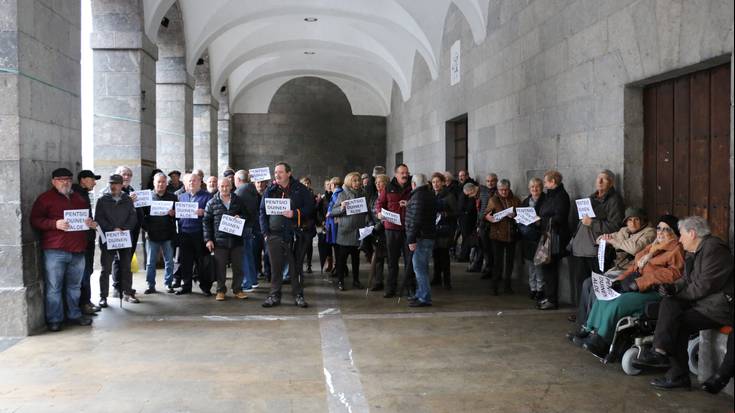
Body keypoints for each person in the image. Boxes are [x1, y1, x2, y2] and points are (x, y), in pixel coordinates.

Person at [635, 216, 733, 390]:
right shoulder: (694, 251)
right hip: (703, 302)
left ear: (693, 234)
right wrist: (672, 288)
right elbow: (686, 280)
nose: (679, 239)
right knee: (670, 303)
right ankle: (660, 351)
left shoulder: (714, 250)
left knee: (677, 321)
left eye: (681, 235)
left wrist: (678, 293)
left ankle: (675, 372)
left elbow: (704, 286)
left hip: (718, 307)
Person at [574, 216, 685, 357]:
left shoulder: (676, 249)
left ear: (674, 233)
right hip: (637, 285)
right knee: (607, 295)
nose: (661, 232)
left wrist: (638, 283)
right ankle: (590, 329)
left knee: (619, 303)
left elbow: (672, 274)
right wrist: (620, 280)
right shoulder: (654, 246)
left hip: (654, 290)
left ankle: (602, 340)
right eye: (659, 228)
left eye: (666, 229)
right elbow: (634, 266)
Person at [30, 168, 95, 331]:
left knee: (74, 287)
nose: (65, 182)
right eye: (60, 179)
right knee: (54, 287)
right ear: (53, 181)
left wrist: (90, 224)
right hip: (55, 251)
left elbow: (88, 219)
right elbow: (35, 220)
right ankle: (55, 319)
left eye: (67, 179)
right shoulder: (45, 199)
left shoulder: (79, 199)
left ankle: (74, 315)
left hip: (78, 250)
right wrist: (54, 224)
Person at [569, 207, 657, 327]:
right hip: (616, 269)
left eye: (637, 219)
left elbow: (634, 249)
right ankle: (583, 322)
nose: (633, 223)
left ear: (643, 220)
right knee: (587, 283)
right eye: (630, 220)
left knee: (597, 288)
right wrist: (604, 239)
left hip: (630, 272)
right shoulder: (624, 231)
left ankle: (593, 326)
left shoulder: (650, 232)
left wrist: (614, 242)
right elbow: (602, 238)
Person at [567, 169, 625, 307]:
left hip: (596, 250)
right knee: (581, 283)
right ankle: (581, 312)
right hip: (581, 248)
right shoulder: (590, 198)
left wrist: (593, 223)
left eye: (603, 179)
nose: (599, 181)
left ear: (611, 183)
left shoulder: (614, 200)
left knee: (595, 284)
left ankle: (592, 313)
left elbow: (615, 227)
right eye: (598, 178)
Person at [259, 162, 314, 308]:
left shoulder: (300, 189)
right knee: (275, 268)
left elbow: (310, 207)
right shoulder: (270, 190)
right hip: (274, 235)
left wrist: (295, 213)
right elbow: (262, 212)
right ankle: (274, 295)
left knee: (295, 268)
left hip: (294, 235)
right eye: (275, 172)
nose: (277, 175)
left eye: (280, 172)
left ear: (289, 173)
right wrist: (265, 233)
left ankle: (298, 295)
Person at [96, 174, 139, 304]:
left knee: (126, 266)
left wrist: (124, 228)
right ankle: (103, 296)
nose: (113, 186)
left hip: (124, 238)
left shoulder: (128, 200)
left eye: (116, 184)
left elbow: (133, 218)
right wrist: (112, 229)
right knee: (106, 269)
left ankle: (127, 292)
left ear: (121, 185)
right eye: (111, 184)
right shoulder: (102, 200)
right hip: (108, 238)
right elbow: (99, 218)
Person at [203, 178, 248, 301]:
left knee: (238, 267)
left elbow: (247, 216)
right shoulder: (211, 203)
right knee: (220, 267)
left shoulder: (238, 201)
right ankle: (220, 290)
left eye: (227, 186)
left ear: (231, 186)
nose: (224, 188)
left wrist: (241, 217)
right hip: (219, 241)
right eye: (222, 186)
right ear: (218, 187)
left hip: (236, 240)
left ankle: (238, 290)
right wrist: (208, 240)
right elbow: (206, 223)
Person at [375, 163, 413, 298]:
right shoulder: (388, 187)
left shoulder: (412, 186)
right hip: (391, 229)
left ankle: (410, 288)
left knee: (409, 260)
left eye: (406, 173)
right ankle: (391, 288)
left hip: (408, 228)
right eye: (402, 173)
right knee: (392, 260)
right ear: (396, 174)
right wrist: (379, 213)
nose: (405, 175)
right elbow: (379, 203)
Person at [536, 170, 571, 310]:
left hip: (555, 236)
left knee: (551, 268)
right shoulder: (550, 196)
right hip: (547, 234)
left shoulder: (562, 196)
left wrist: (542, 219)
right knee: (546, 267)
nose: (544, 184)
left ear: (553, 182)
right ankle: (549, 296)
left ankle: (552, 299)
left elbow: (560, 217)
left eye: (546, 181)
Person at [328, 172, 368, 290]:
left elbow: (366, 211)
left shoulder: (363, 193)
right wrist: (341, 207)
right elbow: (333, 212)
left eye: (358, 180)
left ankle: (356, 280)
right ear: (349, 181)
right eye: (354, 180)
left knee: (356, 259)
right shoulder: (342, 194)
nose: (357, 183)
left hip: (358, 232)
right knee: (342, 260)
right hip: (345, 232)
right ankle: (341, 281)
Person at [176, 173, 213, 295]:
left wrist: (204, 212)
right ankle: (186, 286)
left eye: (194, 181)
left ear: (200, 182)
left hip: (200, 234)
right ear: (185, 184)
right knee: (185, 262)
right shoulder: (181, 197)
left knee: (202, 262)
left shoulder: (207, 197)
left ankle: (205, 287)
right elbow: (177, 215)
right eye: (189, 181)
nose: (192, 183)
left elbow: (213, 215)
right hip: (184, 234)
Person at [141, 173, 177, 294]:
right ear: (154, 183)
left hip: (168, 234)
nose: (161, 184)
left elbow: (179, 215)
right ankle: (150, 285)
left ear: (166, 183)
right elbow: (142, 216)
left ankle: (169, 283)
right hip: (152, 235)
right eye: (158, 182)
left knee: (169, 261)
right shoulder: (147, 197)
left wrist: (174, 213)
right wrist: (147, 229)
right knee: (150, 262)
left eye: (163, 182)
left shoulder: (173, 197)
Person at [483, 179, 521, 295]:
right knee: (498, 262)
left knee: (509, 262)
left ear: (509, 189)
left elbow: (521, 213)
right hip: (497, 235)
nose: (504, 192)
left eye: (506, 190)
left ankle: (507, 286)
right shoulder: (493, 200)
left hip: (511, 234)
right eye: (501, 190)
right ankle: (494, 286)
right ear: (498, 190)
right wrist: (488, 217)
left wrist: (515, 215)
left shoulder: (515, 199)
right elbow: (486, 214)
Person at [72, 170, 102, 316]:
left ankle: (87, 301)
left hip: (87, 239)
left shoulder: (83, 194)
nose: (95, 182)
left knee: (88, 271)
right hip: (82, 241)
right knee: (84, 273)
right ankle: (84, 304)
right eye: (92, 179)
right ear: (83, 180)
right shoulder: (77, 195)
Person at [405, 173, 437, 307]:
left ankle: (424, 297)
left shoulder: (418, 196)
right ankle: (420, 293)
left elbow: (416, 220)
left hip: (421, 237)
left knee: (420, 269)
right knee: (422, 267)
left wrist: (411, 239)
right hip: (427, 235)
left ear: (413, 184)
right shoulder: (429, 194)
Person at [518, 178, 545, 300]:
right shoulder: (525, 201)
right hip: (527, 238)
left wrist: (540, 222)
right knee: (530, 265)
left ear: (542, 187)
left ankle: (540, 289)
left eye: (537, 186)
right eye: (532, 187)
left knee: (538, 265)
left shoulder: (546, 200)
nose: (535, 189)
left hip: (539, 237)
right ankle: (532, 288)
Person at [431, 172, 458, 289]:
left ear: (442, 182)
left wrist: (445, 214)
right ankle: (436, 277)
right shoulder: (431, 195)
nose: (435, 184)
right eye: (433, 182)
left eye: (438, 182)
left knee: (444, 256)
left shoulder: (449, 195)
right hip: (434, 229)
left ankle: (447, 281)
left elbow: (456, 212)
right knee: (435, 255)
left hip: (445, 229)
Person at [234, 170, 259, 292]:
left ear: (238, 179)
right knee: (249, 255)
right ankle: (253, 280)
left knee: (243, 256)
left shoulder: (240, 191)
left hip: (242, 226)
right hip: (250, 226)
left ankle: (247, 283)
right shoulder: (252, 189)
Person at [462, 181, 493, 275]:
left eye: (469, 194)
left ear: (472, 190)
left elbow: (483, 211)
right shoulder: (480, 193)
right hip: (482, 224)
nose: (469, 197)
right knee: (482, 247)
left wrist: (479, 225)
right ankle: (483, 267)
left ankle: (488, 269)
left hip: (486, 225)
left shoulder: (484, 194)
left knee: (486, 248)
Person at [368, 174, 389, 291]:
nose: (378, 185)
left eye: (380, 182)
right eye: (376, 183)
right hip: (375, 231)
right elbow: (370, 212)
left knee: (390, 259)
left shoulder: (389, 196)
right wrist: (371, 224)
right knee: (378, 258)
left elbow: (388, 214)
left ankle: (391, 283)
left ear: (386, 184)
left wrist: (378, 225)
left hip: (386, 231)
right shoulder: (373, 197)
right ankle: (378, 281)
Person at [455, 169, 477, 261]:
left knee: (467, 237)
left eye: (463, 175)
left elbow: (471, 203)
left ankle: (464, 256)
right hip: (462, 216)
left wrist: (466, 212)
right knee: (463, 236)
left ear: (467, 176)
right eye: (460, 175)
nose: (461, 177)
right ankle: (463, 255)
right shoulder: (460, 186)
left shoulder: (470, 186)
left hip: (467, 217)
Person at [325, 176, 344, 275]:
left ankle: (339, 268)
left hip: (335, 224)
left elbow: (338, 208)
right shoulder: (337, 193)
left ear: (333, 185)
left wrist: (330, 213)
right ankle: (339, 267)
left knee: (337, 247)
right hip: (334, 223)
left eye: (330, 185)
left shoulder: (337, 194)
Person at [299, 176, 317, 275]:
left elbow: (314, 211)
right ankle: (300, 265)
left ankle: (309, 265)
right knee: (300, 246)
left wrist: (317, 203)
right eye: (304, 183)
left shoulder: (312, 195)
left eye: (308, 183)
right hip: (300, 223)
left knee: (309, 245)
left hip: (309, 223)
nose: (306, 185)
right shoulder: (298, 194)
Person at [316, 178, 334, 273]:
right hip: (325, 224)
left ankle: (337, 265)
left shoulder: (336, 196)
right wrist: (322, 221)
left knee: (335, 245)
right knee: (326, 245)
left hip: (334, 223)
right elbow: (318, 212)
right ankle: (329, 263)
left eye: (331, 184)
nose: (329, 186)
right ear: (325, 186)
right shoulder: (322, 198)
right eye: (327, 184)